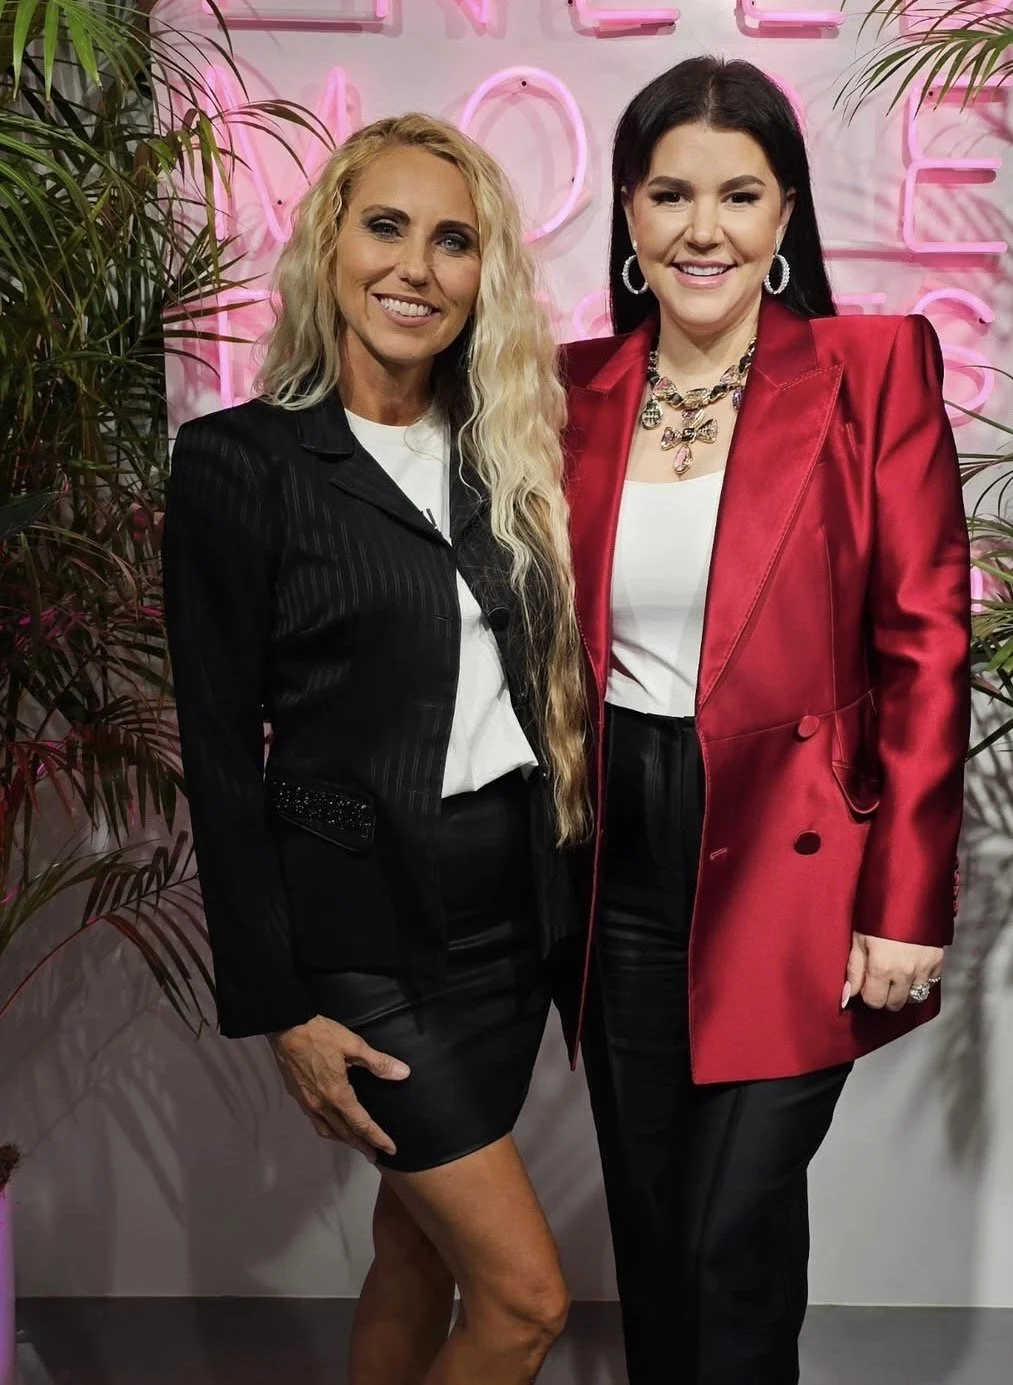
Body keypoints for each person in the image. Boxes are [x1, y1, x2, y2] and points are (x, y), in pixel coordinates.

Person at [560, 57, 972, 1385]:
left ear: (785, 214)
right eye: (668, 193)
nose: (702, 228)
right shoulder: (566, 392)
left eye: (739, 195)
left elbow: (925, 643)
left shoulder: (869, 367)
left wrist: (906, 898)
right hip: (620, 850)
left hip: (797, 857)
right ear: (625, 216)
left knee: (727, 1232)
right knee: (654, 1229)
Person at [163, 114, 588, 1385]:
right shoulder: (241, 462)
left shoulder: (504, 451)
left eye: (454, 240)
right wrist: (282, 1003)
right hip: (367, 932)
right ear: (331, 247)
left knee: (417, 1253)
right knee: (525, 1303)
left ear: (484, 277)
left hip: (511, 912)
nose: (417, 265)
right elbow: (220, 751)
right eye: (386, 225)